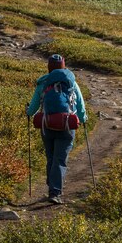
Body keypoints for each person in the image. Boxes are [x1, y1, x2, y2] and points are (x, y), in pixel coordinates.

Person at [27, 54, 87, 204]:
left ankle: (52, 187)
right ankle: (55, 192)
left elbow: (34, 106)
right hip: (66, 125)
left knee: (51, 156)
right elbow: (80, 104)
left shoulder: (43, 83)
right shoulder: (71, 82)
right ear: (63, 66)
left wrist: (28, 112)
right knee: (60, 159)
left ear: (49, 67)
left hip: (47, 125)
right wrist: (83, 118)